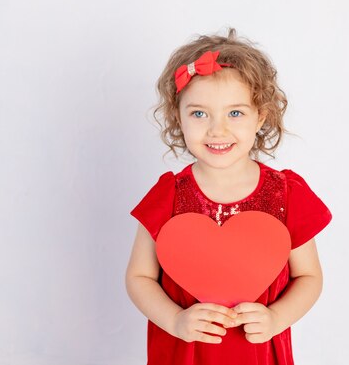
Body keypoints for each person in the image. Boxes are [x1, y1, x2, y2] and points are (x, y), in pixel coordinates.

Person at [125, 28, 333, 365]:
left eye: (234, 113)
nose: (217, 130)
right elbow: (139, 277)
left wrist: (277, 318)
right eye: (199, 113)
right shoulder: (168, 195)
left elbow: (309, 277)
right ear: (179, 117)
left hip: (256, 353)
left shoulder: (285, 194)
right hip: (184, 354)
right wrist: (175, 321)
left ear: (260, 117)